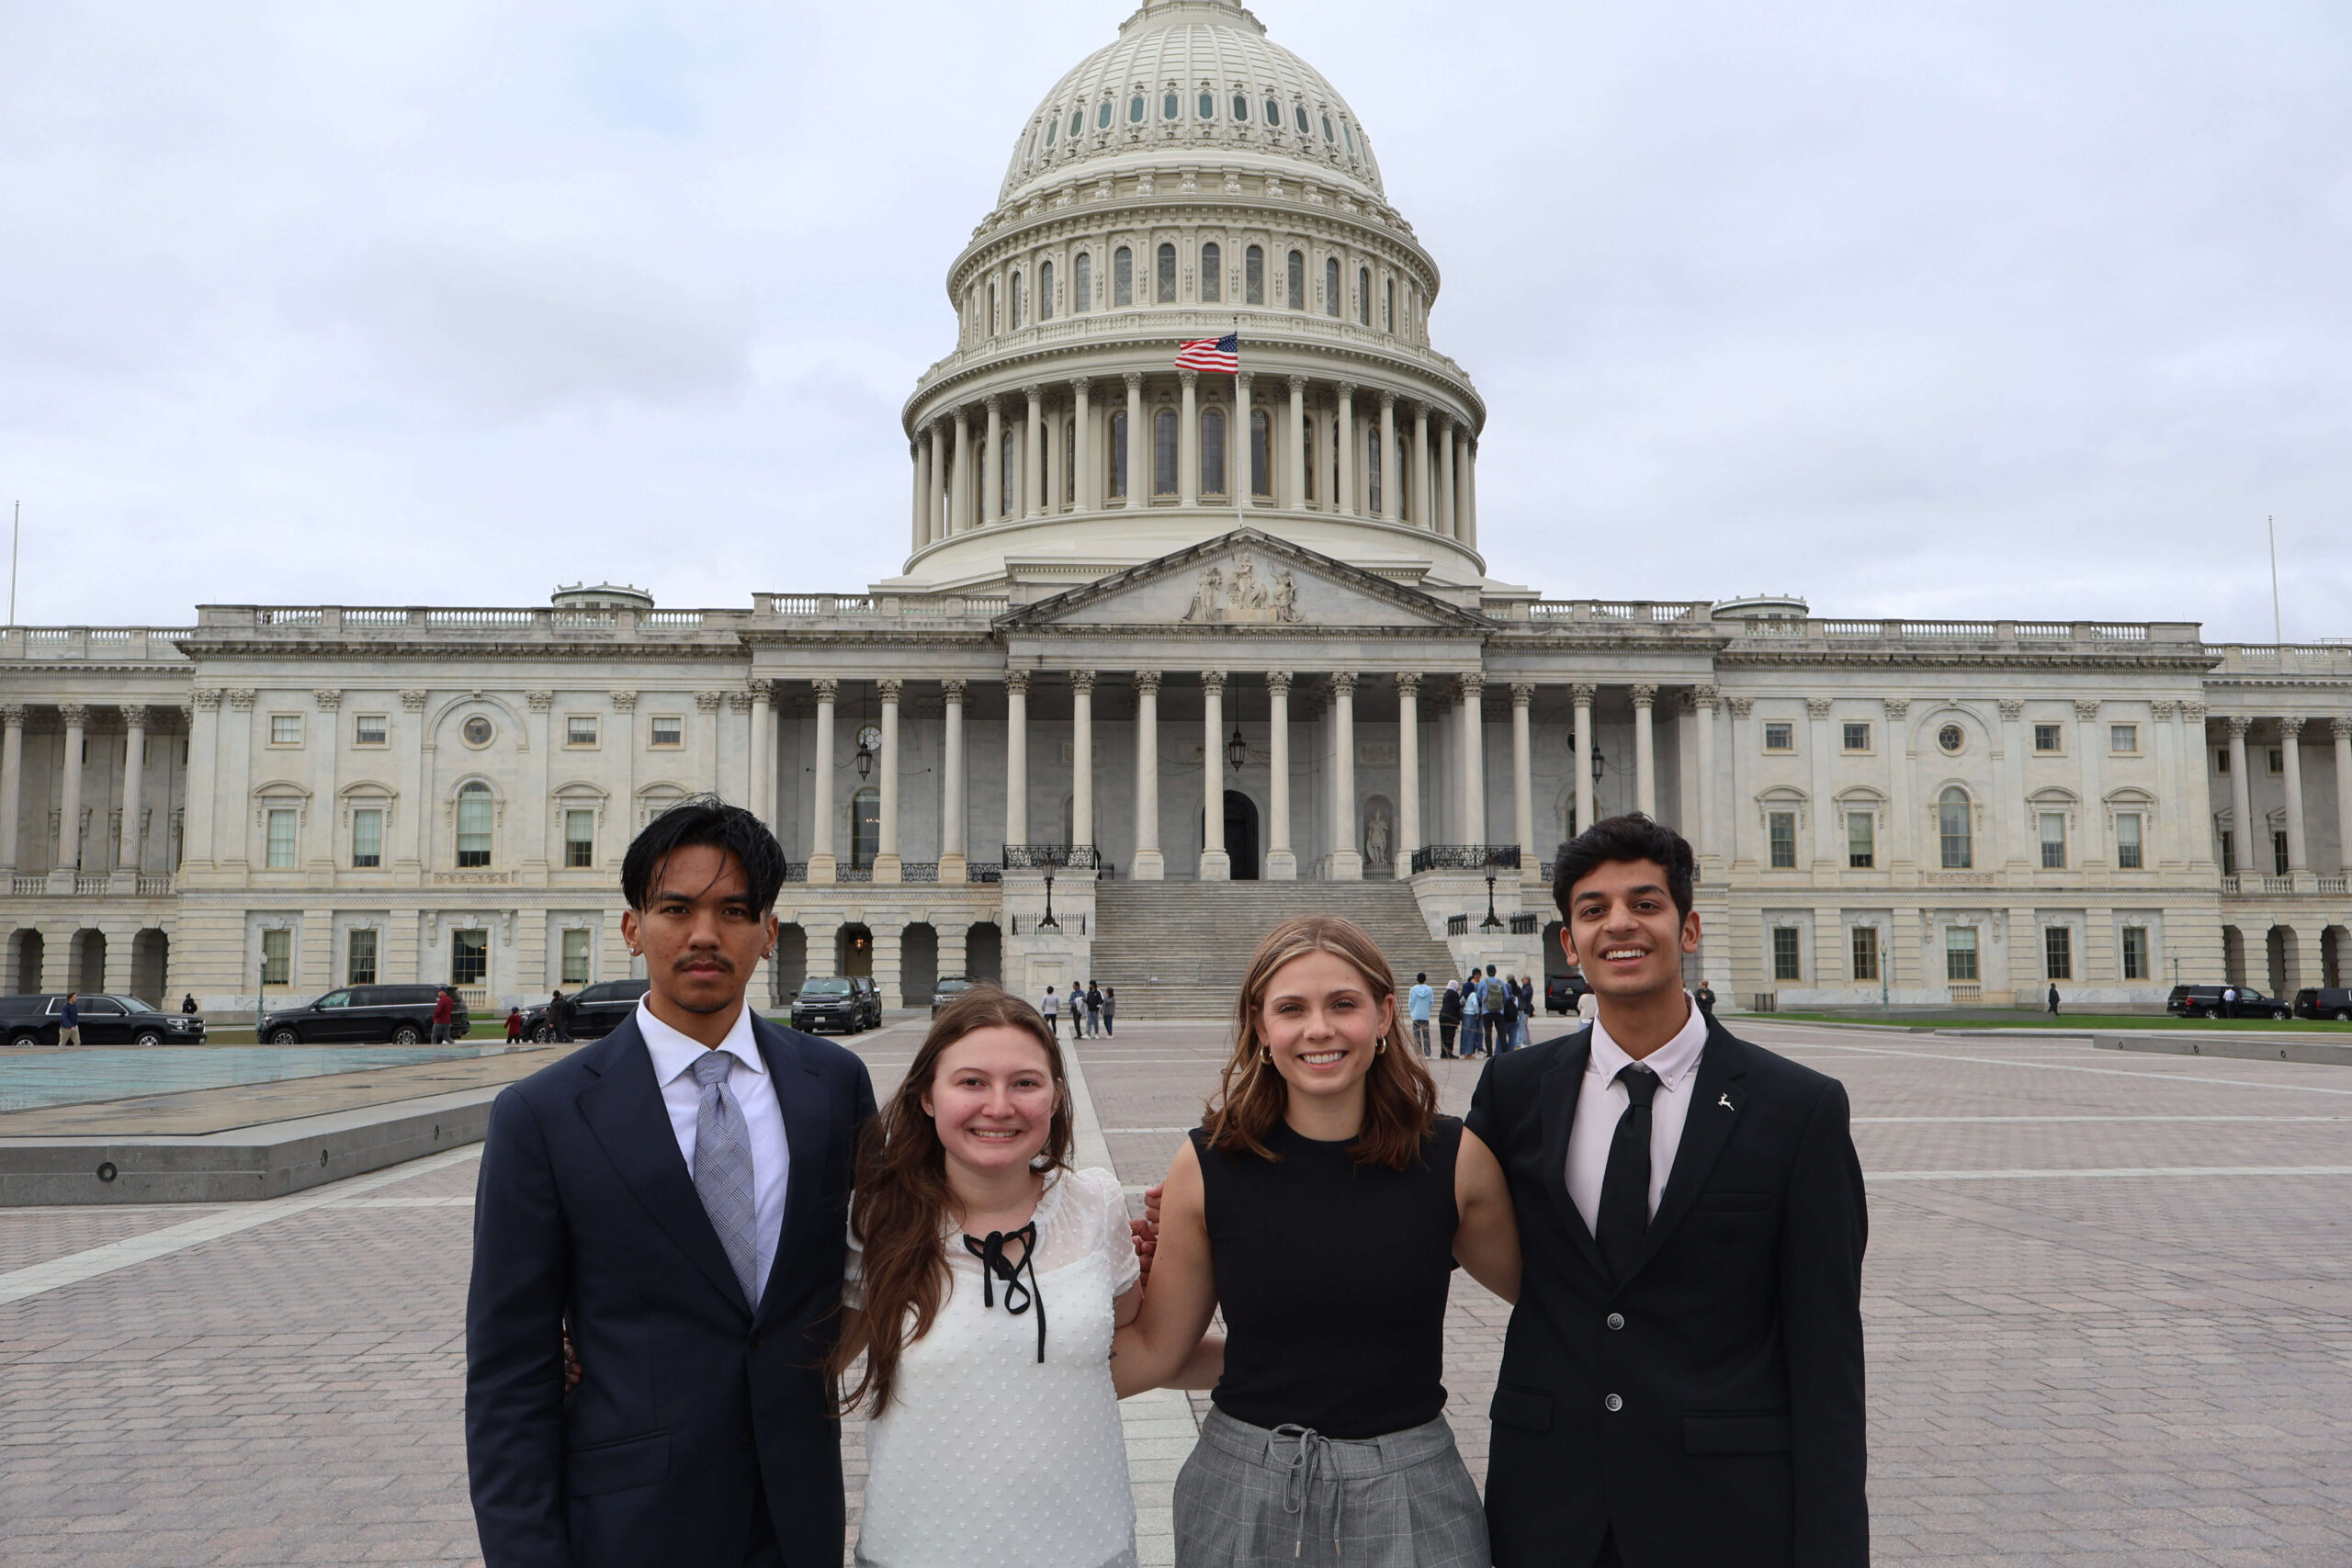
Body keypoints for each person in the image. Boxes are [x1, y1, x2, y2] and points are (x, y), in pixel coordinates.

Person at [466, 795, 877, 1568]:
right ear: (632, 927)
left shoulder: (834, 1087)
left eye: (733, 910)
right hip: (629, 1528)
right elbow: (508, 1374)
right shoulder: (543, 1115)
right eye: (676, 908)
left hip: (796, 1520)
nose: (703, 935)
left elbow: (892, 1248)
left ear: (769, 931)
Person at [1467, 814, 1868, 1568]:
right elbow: (1404, 1219)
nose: (1620, 924)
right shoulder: (1514, 1091)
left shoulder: (1797, 1107)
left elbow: (1827, 1359)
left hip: (1723, 1516)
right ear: (1568, 942)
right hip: (1550, 1513)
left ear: (1688, 929)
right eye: (1593, 910)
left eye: (1645, 904)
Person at [1122, 916, 1521, 1566]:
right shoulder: (1207, 1163)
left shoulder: (1454, 1159)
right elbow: (1159, 1349)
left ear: (1385, 1012)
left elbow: (1552, 1299)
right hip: (1244, 1485)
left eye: (1343, 1004)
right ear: (1259, 1024)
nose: (1319, 1029)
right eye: (1291, 1008)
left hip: (1411, 1487)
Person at [831, 985, 1212, 1568]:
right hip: (917, 1548)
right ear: (928, 1096)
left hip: (1084, 1546)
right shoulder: (879, 1217)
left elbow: (1133, 1348)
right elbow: (820, 1358)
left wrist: (1302, 1359)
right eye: (972, 1082)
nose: (999, 1106)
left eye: (1025, 1083)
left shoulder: (1095, 1204)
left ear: (1056, 1096)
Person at [1483, 964, 1510, 1055]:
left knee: (1488, 1033)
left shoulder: (1483, 983)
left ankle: (1489, 1052)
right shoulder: (1501, 983)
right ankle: (1505, 1051)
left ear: (1486, 972)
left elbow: (1478, 996)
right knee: (1501, 1033)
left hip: (1486, 1011)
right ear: (1495, 972)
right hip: (1499, 1011)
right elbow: (1506, 996)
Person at [1408, 971, 1435, 1056]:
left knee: (1416, 1035)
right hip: (1425, 1015)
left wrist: (1412, 1012)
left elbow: (1411, 1002)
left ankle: (1418, 1053)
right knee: (1426, 1035)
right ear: (1425, 979)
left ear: (1417, 979)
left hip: (1416, 1014)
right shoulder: (1429, 989)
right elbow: (1431, 1002)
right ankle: (1427, 1053)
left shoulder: (1413, 989)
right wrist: (1428, 1011)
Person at [1438, 979, 1463, 1059]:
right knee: (1450, 1036)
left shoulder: (1446, 993)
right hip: (1450, 1018)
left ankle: (1443, 1053)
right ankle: (1449, 1053)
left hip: (1442, 1017)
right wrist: (1462, 1004)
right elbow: (1455, 1005)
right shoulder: (1454, 994)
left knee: (1443, 1036)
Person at [1497, 971, 1521, 1054]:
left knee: (1501, 1037)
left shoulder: (1503, 999)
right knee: (1512, 1039)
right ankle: (1511, 1053)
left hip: (1505, 1020)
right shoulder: (1515, 998)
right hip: (1515, 1019)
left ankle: (1498, 1052)